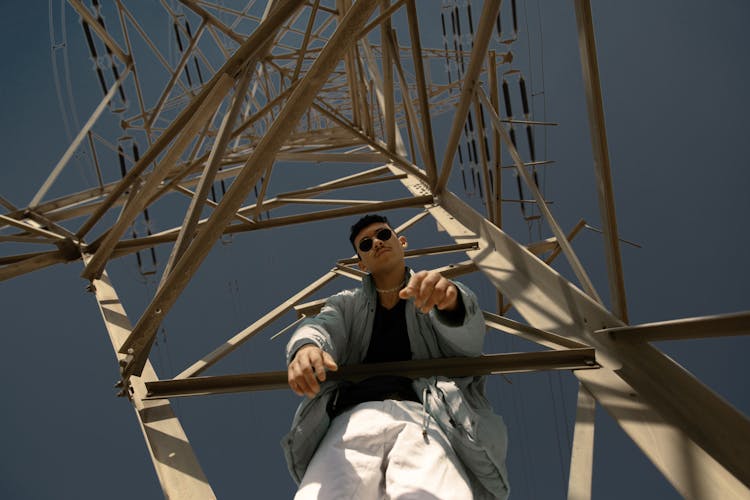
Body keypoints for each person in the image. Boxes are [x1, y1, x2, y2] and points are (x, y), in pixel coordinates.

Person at [282, 214, 509, 499]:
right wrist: (306, 348)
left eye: (383, 235)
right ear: (362, 263)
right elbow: (322, 325)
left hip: (425, 418)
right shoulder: (347, 303)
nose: (376, 243)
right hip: (350, 421)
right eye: (365, 244)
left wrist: (452, 303)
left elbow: (469, 346)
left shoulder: (431, 288)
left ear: (401, 241)